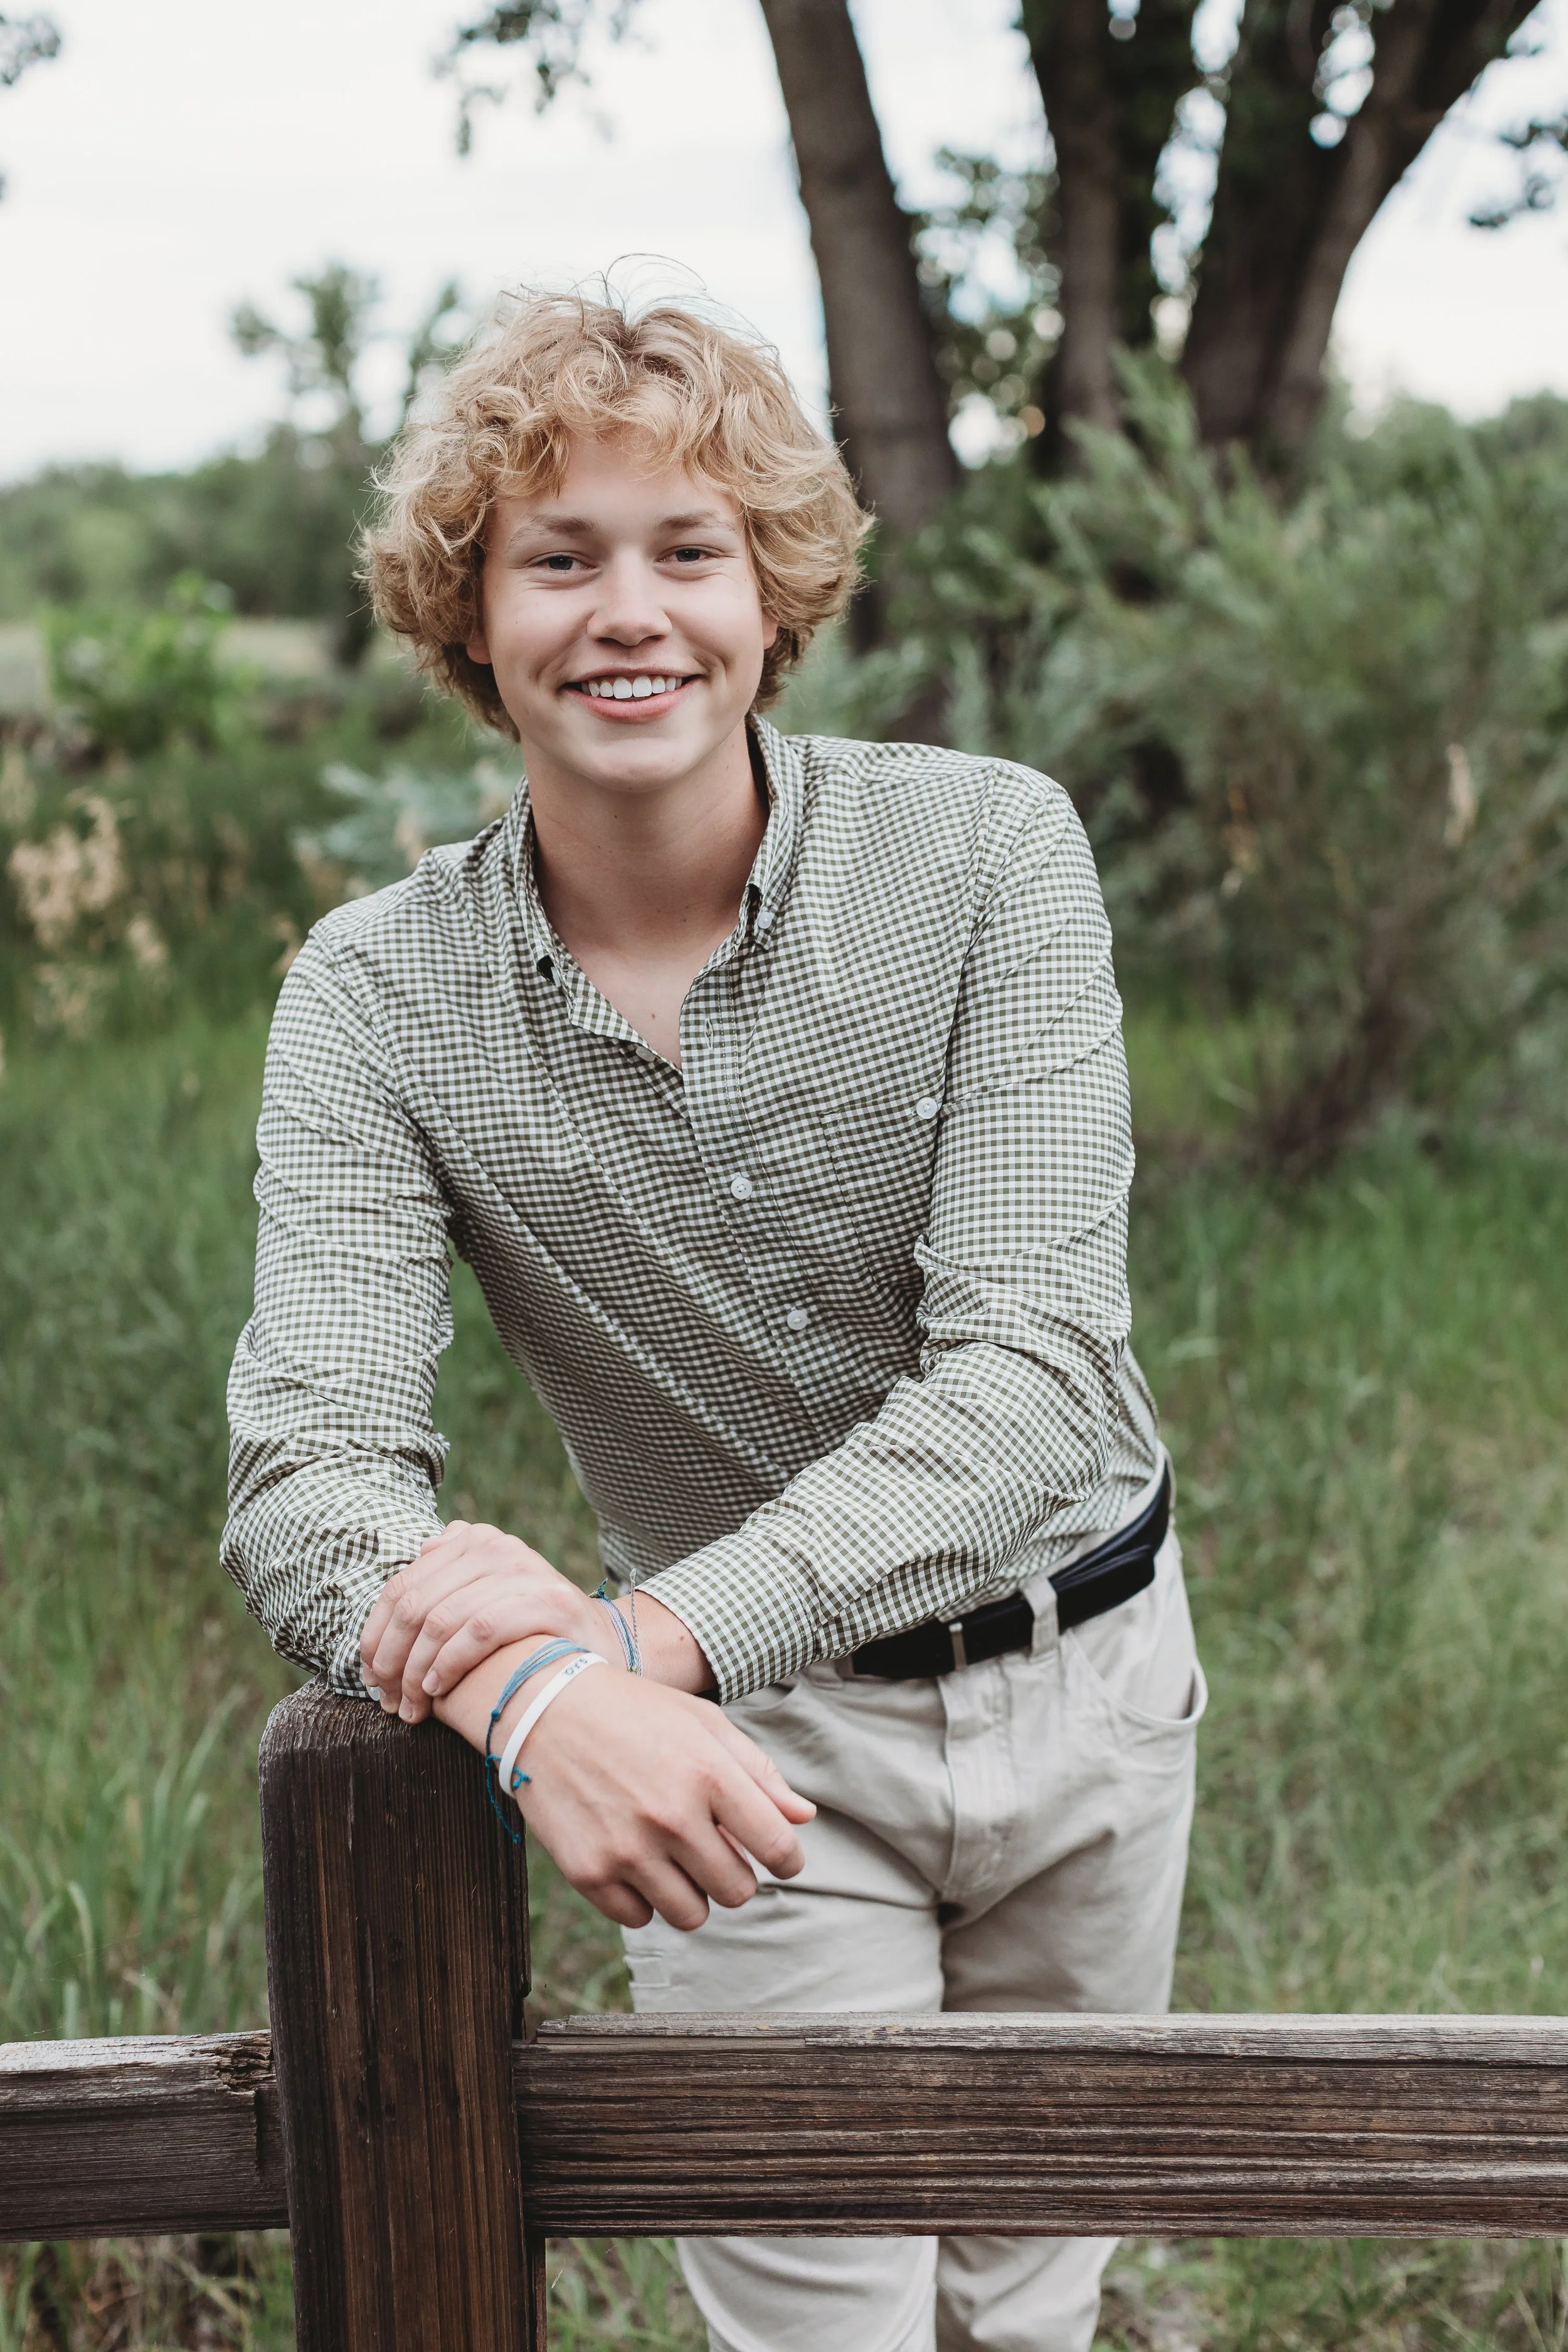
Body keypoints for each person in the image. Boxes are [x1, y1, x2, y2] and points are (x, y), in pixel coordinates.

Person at [223, 289, 1206, 2352]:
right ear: (468, 618)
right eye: (555, 557)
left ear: (773, 594)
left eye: (687, 549)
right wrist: (534, 1704)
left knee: (1026, 2313)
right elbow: (309, 1474)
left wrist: (626, 1637)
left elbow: (1031, 1377)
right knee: (817, 2336)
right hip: (739, 1762)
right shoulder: (371, 997)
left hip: (1089, 1676)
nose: (627, 613)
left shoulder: (987, 851)